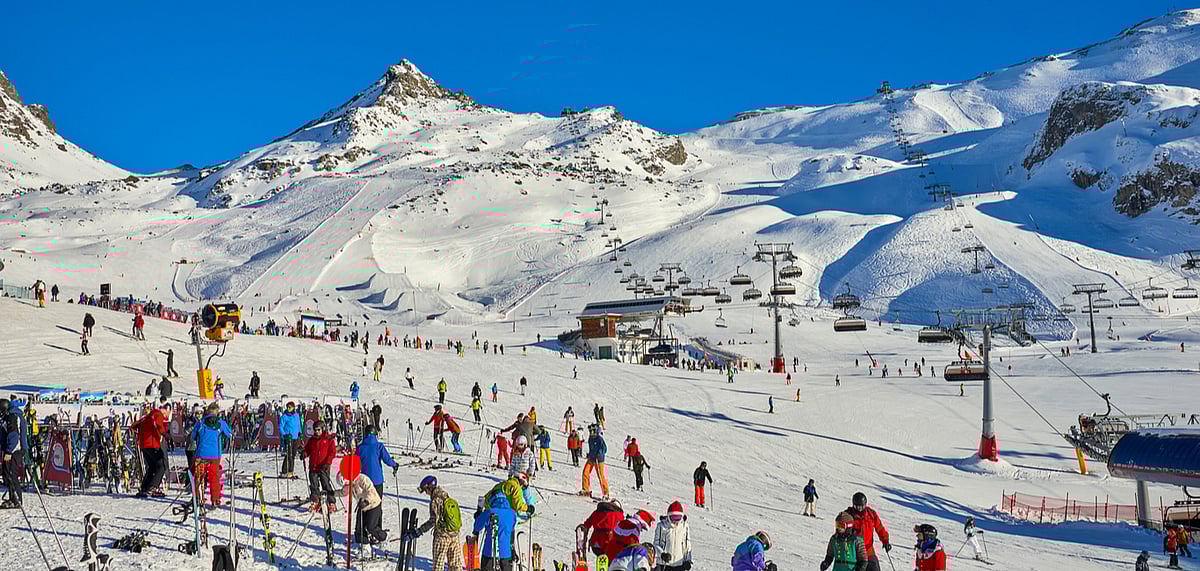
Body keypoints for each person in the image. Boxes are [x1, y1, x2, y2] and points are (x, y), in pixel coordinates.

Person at [410, 475, 465, 571]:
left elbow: (433, 521)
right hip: (454, 534)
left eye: (426, 490)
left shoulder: (435, 500)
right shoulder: (445, 495)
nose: (426, 493)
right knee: (455, 564)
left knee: (438, 564)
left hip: (442, 536)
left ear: (429, 487)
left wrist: (419, 531)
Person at [190, 403, 232, 507]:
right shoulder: (221, 423)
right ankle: (215, 499)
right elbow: (230, 434)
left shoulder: (200, 423)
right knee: (214, 476)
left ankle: (197, 498)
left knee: (199, 476)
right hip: (215, 454)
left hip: (201, 453)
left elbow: (193, 436)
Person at [474, 484, 518, 571]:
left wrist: (479, 514)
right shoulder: (512, 513)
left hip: (489, 552)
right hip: (506, 553)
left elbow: (477, 527)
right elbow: (512, 530)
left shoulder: (489, 512)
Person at [132, 401, 169, 497]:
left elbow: (135, 425)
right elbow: (158, 425)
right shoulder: (158, 414)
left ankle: (145, 487)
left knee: (152, 466)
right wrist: (165, 434)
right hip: (151, 444)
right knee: (161, 465)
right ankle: (153, 487)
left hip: (143, 444)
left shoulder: (148, 416)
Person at [847, 492, 890, 571]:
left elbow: (879, 528)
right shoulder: (848, 515)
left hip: (868, 550)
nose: (859, 509)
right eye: (857, 507)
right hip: (854, 552)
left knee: (874, 568)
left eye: (862, 506)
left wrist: (885, 541)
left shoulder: (871, 514)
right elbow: (841, 530)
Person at [303, 420, 338, 511]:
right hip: (314, 466)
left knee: (326, 484)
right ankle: (315, 501)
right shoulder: (312, 440)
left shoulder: (328, 439)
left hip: (324, 466)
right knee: (314, 485)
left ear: (323, 429)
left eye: (318, 430)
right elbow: (307, 450)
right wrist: (304, 453)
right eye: (315, 430)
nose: (316, 432)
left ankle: (331, 503)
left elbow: (332, 452)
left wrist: (327, 463)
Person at [357, 425, 399, 497]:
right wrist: (394, 464)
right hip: (377, 480)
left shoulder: (360, 448)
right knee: (377, 503)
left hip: (365, 480)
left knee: (365, 503)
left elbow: (355, 463)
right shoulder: (379, 446)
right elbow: (387, 459)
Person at [348, 471, 388, 543]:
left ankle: (383, 537)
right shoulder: (350, 484)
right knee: (359, 527)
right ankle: (364, 543)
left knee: (371, 527)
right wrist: (332, 493)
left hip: (373, 504)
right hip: (362, 507)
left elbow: (371, 492)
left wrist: (366, 502)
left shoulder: (362, 479)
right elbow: (343, 491)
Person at [653, 501, 692, 571]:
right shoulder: (661, 526)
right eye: (673, 517)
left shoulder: (685, 526)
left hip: (679, 564)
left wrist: (688, 560)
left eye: (678, 518)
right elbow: (656, 544)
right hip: (664, 564)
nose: (675, 521)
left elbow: (687, 545)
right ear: (668, 516)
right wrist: (662, 554)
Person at [0, 399, 22, 508]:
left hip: (14, 451)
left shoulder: (11, 418)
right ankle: (11, 498)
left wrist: (9, 451)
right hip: (8, 450)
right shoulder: (5, 419)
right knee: (7, 475)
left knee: (12, 475)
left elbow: (14, 436)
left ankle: (17, 499)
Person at [581, 423, 610, 498]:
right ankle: (585, 489)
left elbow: (604, 449)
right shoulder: (590, 438)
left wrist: (599, 453)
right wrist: (590, 454)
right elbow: (591, 448)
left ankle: (606, 493)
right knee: (585, 472)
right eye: (590, 431)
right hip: (591, 458)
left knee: (600, 475)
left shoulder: (599, 438)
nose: (591, 432)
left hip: (599, 459)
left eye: (592, 431)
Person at [279, 402, 301, 478]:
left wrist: (300, 432)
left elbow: (298, 424)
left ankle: (291, 470)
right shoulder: (284, 416)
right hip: (288, 437)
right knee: (289, 454)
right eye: (288, 407)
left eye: (290, 407)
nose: (289, 409)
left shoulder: (296, 415)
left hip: (295, 437)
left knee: (293, 454)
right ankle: (285, 471)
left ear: (293, 407)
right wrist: (284, 434)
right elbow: (281, 427)